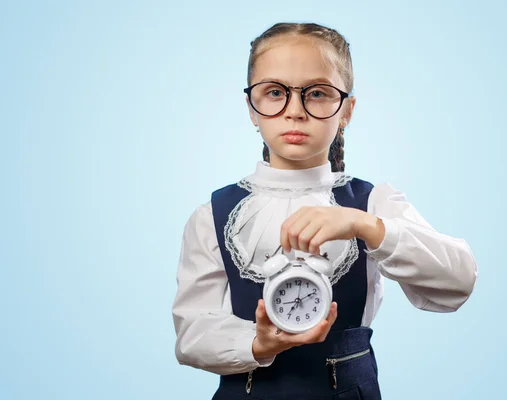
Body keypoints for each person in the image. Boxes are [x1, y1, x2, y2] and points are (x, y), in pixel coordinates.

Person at [172, 22, 478, 400]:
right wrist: (259, 344)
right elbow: (190, 336)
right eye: (274, 92)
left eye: (316, 93)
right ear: (252, 108)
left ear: (346, 110)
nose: (295, 111)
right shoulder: (213, 215)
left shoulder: (372, 203)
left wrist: (365, 226)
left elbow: (459, 280)